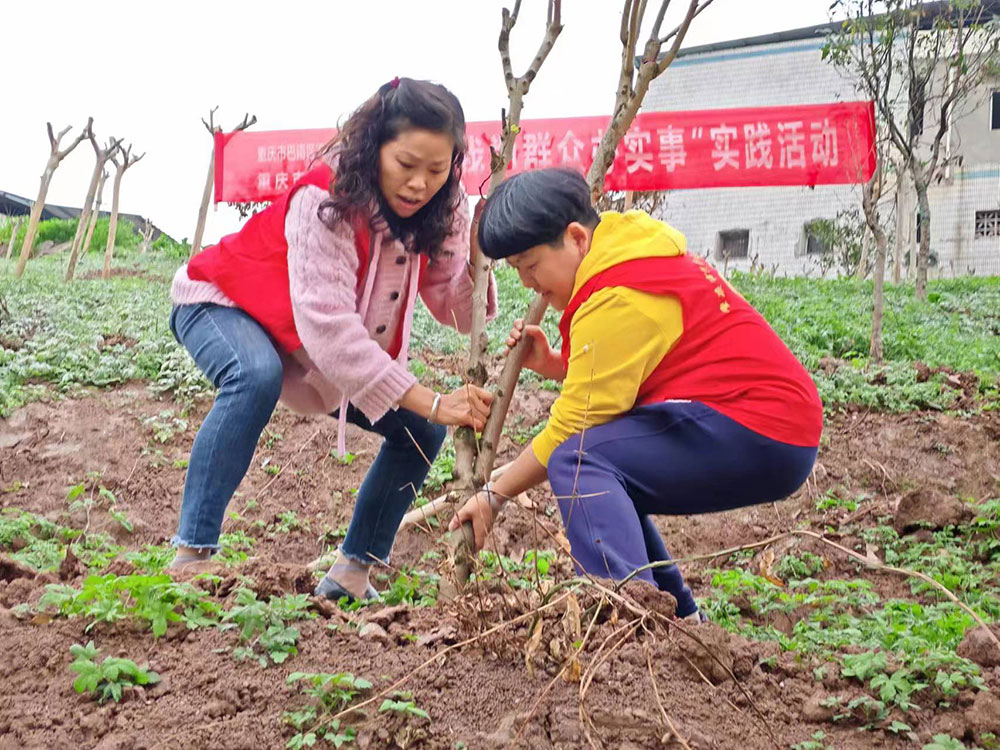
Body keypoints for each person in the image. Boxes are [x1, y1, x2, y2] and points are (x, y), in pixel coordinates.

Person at [167, 77, 496, 603]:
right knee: (254, 375)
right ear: (375, 146)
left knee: (421, 431)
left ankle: (351, 574)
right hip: (222, 300)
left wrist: (479, 253)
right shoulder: (327, 197)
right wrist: (433, 399)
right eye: (406, 164)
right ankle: (192, 556)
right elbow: (330, 330)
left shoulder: (445, 207)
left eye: (436, 170)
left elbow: (452, 306)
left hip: (306, 342)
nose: (419, 184)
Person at [451, 167, 821, 621]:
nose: (528, 283)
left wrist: (493, 495)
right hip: (766, 421)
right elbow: (636, 363)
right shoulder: (625, 248)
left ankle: (628, 622)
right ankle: (679, 619)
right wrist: (554, 364)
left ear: (576, 238)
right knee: (611, 463)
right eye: (517, 271)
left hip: (762, 428)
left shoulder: (618, 296)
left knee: (579, 460)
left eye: (531, 266)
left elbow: (571, 427)